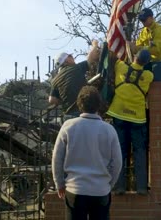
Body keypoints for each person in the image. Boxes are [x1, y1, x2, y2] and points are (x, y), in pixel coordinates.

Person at [52, 86, 122, 220]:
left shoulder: (68, 126)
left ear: (79, 105)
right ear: (99, 105)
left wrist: (59, 183)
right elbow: (117, 162)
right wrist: (109, 184)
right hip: (101, 190)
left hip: (75, 190)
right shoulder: (109, 130)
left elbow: (57, 158)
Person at [107, 49, 154, 195]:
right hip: (137, 118)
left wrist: (129, 47)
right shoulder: (148, 75)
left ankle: (119, 187)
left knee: (120, 151)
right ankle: (141, 187)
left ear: (134, 57)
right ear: (146, 63)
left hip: (119, 114)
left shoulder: (121, 67)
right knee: (140, 151)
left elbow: (115, 57)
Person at [49, 41, 99, 119]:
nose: (73, 57)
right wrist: (95, 45)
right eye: (70, 56)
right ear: (66, 61)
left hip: (68, 115)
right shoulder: (75, 68)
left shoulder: (55, 80)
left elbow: (52, 100)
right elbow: (91, 58)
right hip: (82, 113)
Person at [132, 8, 161, 101]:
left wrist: (137, 48)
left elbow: (156, 49)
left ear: (151, 18)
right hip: (151, 61)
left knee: (156, 73)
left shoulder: (160, 30)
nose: (143, 22)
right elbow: (139, 46)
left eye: (144, 19)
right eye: (141, 20)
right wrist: (133, 48)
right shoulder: (143, 32)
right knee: (140, 74)